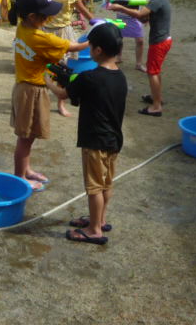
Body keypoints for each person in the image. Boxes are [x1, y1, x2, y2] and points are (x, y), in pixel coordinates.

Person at [45, 22, 127, 245]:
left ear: (97, 50)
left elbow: (64, 94)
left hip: (94, 140)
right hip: (113, 140)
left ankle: (93, 231)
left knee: (93, 188)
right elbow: (86, 95)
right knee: (106, 184)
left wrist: (48, 82)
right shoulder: (120, 77)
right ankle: (99, 219)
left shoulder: (89, 77)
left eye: (90, 47)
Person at [9, 0, 90, 190]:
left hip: (24, 87)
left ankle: (25, 170)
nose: (48, 19)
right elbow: (74, 47)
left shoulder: (22, 27)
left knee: (29, 136)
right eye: (45, 16)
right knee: (25, 138)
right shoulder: (40, 38)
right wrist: (94, 38)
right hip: (31, 91)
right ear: (32, 16)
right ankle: (20, 178)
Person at [108, 0, 175, 117]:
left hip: (159, 42)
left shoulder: (157, 0)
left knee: (152, 73)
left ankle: (156, 106)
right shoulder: (160, 0)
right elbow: (144, 18)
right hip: (164, 40)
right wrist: (137, 14)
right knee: (155, 71)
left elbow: (140, 14)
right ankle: (157, 97)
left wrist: (120, 8)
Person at [42, 0, 94, 117]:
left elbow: (81, 8)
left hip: (63, 31)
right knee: (43, 64)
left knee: (62, 68)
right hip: (46, 30)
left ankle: (60, 102)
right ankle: (41, 98)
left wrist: (95, 21)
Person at [115, 0, 149, 72]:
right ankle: (118, 57)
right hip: (121, 14)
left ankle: (138, 64)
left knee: (140, 40)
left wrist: (145, 15)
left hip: (134, 15)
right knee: (118, 37)